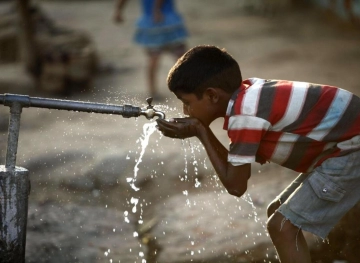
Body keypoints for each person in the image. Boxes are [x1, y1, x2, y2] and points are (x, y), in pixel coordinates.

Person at [156, 45, 360, 263]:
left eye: (187, 103)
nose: (185, 111)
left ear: (212, 96)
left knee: (282, 227)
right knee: (277, 212)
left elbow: (236, 185)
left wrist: (201, 131)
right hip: (342, 144)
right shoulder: (248, 96)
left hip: (352, 148)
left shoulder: (246, 114)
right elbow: (235, 171)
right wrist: (201, 130)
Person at [114, 0, 188, 100]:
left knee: (156, 58)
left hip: (152, 22)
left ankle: (153, 91)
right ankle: (188, 87)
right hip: (166, 20)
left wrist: (118, 11)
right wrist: (156, 10)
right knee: (181, 58)